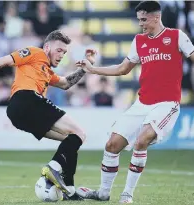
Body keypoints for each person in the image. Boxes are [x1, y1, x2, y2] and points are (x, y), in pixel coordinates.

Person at [76, 1, 194, 204]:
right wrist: (93, 70)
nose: (141, 24)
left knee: (141, 140)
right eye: (139, 20)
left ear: (156, 17)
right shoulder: (139, 41)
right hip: (142, 103)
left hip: (167, 104)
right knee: (112, 145)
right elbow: (123, 69)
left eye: (144, 19)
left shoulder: (177, 36)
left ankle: (127, 194)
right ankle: (103, 193)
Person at [0, 30, 97, 201]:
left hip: (18, 114)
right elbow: (4, 61)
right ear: (47, 47)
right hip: (26, 99)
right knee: (80, 133)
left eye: (64, 52)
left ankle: (69, 190)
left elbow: (65, 84)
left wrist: (84, 69)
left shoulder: (47, 72)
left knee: (71, 140)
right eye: (59, 50)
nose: (61, 54)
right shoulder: (35, 53)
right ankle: (53, 167)